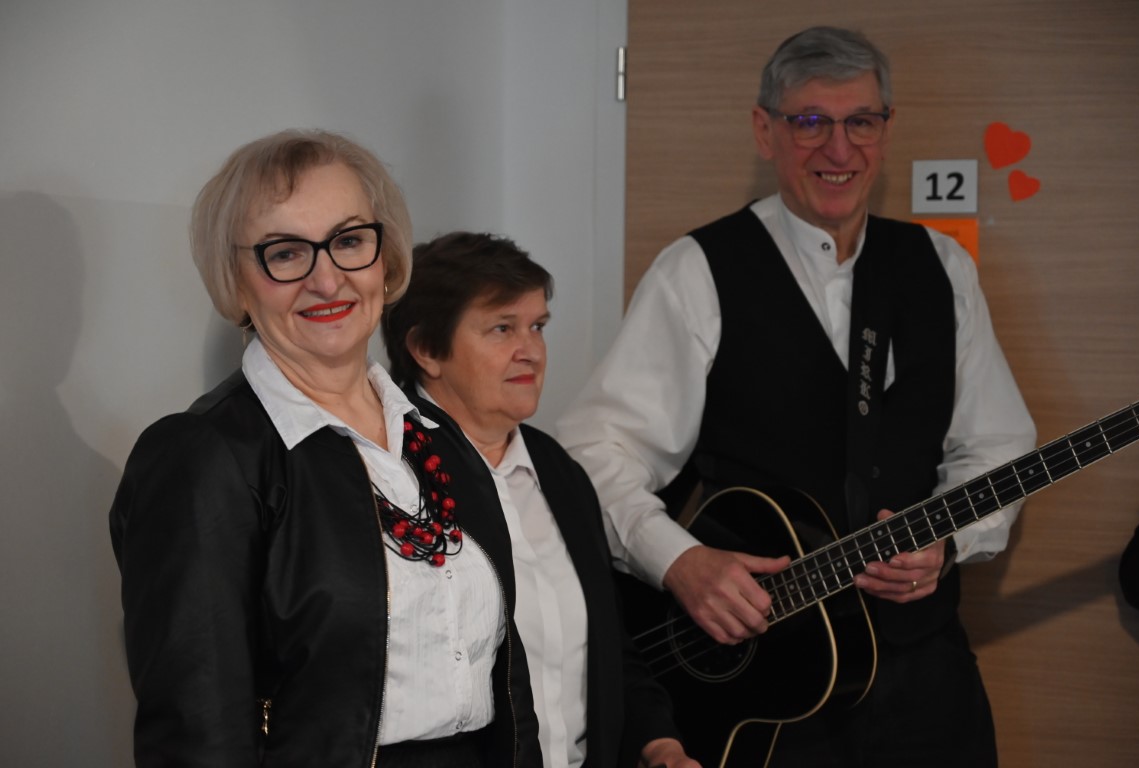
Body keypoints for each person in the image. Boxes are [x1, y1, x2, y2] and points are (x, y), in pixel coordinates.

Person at [557, 26, 1037, 767]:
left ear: (886, 130)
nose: (839, 149)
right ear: (765, 129)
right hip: (771, 692)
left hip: (928, 680)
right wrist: (678, 561)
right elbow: (594, 451)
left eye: (860, 122)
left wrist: (951, 540)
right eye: (810, 121)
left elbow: (997, 443)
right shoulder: (697, 270)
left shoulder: (942, 267)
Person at [109, 130, 542, 767]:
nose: (327, 279)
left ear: (385, 259)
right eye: (285, 252)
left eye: (348, 241)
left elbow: (506, 679)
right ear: (238, 280)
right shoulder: (202, 459)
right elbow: (196, 731)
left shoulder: (436, 436)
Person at [382, 231, 700, 768]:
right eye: (502, 328)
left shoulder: (559, 470)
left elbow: (610, 651)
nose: (530, 350)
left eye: (538, 327)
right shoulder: (390, 476)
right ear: (427, 350)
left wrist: (660, 744)